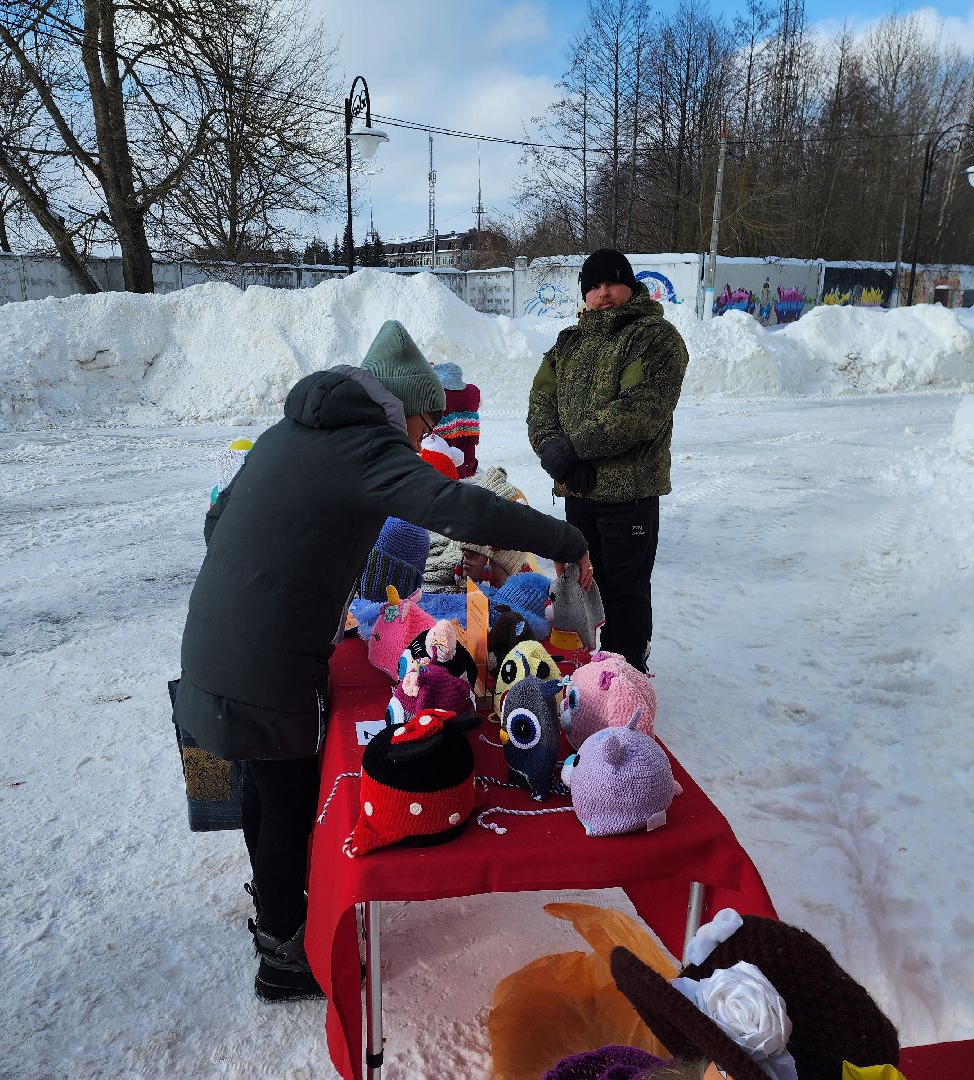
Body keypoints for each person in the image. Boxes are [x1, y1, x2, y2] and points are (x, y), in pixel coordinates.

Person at [174, 319, 593, 1003]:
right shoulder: (368, 445)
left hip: (219, 637)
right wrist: (565, 539)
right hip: (266, 658)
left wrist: (282, 571)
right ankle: (284, 953)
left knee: (260, 783)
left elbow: (217, 523)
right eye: (425, 425)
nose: (423, 442)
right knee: (286, 801)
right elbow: (460, 509)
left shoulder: (291, 432)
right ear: (405, 408)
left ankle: (275, 905)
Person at [527, 249, 688, 673]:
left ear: (629, 286)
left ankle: (626, 675)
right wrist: (553, 452)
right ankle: (586, 670)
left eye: (612, 283)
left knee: (623, 592)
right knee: (579, 586)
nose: (603, 293)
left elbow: (640, 410)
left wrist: (574, 447)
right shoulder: (568, 344)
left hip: (628, 495)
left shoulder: (654, 338)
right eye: (594, 286)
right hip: (578, 489)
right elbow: (541, 401)